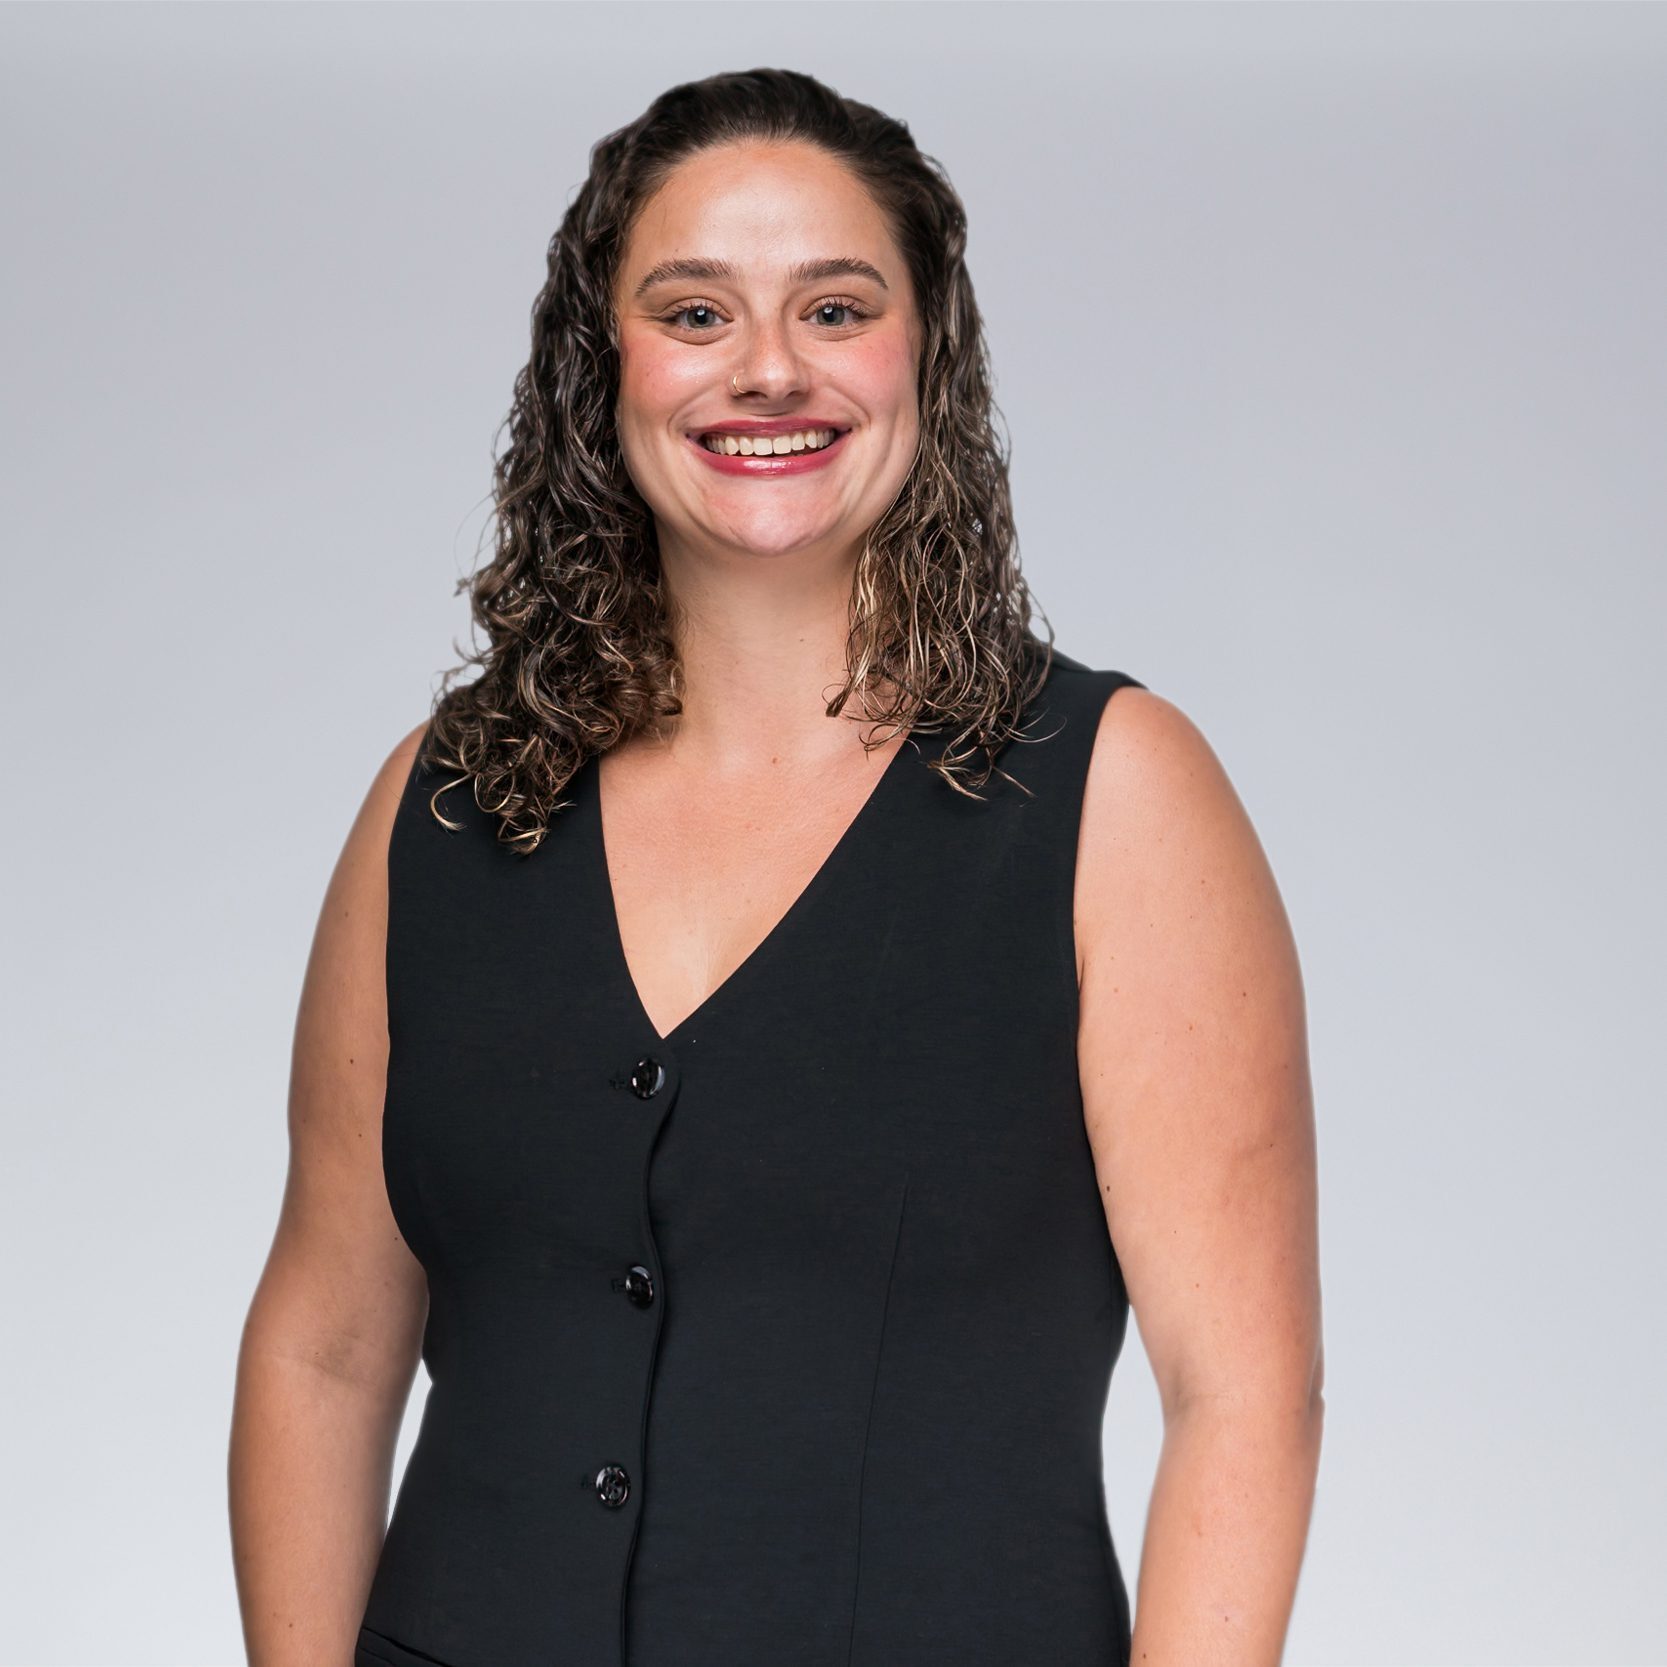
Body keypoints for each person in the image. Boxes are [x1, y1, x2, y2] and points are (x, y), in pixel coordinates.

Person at [229, 66, 1323, 1667]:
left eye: (834, 307)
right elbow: (324, 1349)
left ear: (928, 357)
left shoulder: (1113, 797)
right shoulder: (445, 805)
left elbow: (1245, 1392)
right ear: (596, 368)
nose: (765, 370)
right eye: (692, 313)